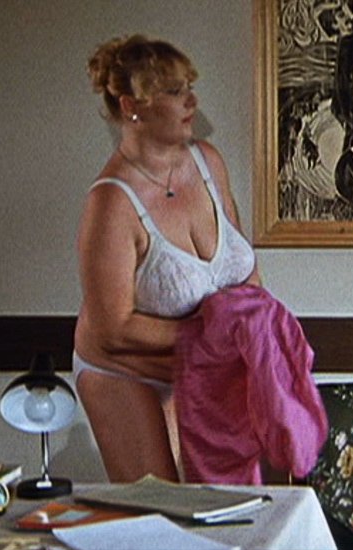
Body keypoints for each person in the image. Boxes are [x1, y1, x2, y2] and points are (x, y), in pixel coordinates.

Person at [74, 34, 260, 483]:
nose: (192, 101)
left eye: (189, 87)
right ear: (131, 107)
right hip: (122, 369)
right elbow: (114, 328)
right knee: (160, 507)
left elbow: (242, 270)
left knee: (224, 504)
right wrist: (213, 332)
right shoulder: (112, 203)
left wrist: (256, 326)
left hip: (198, 362)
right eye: (175, 91)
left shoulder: (209, 162)